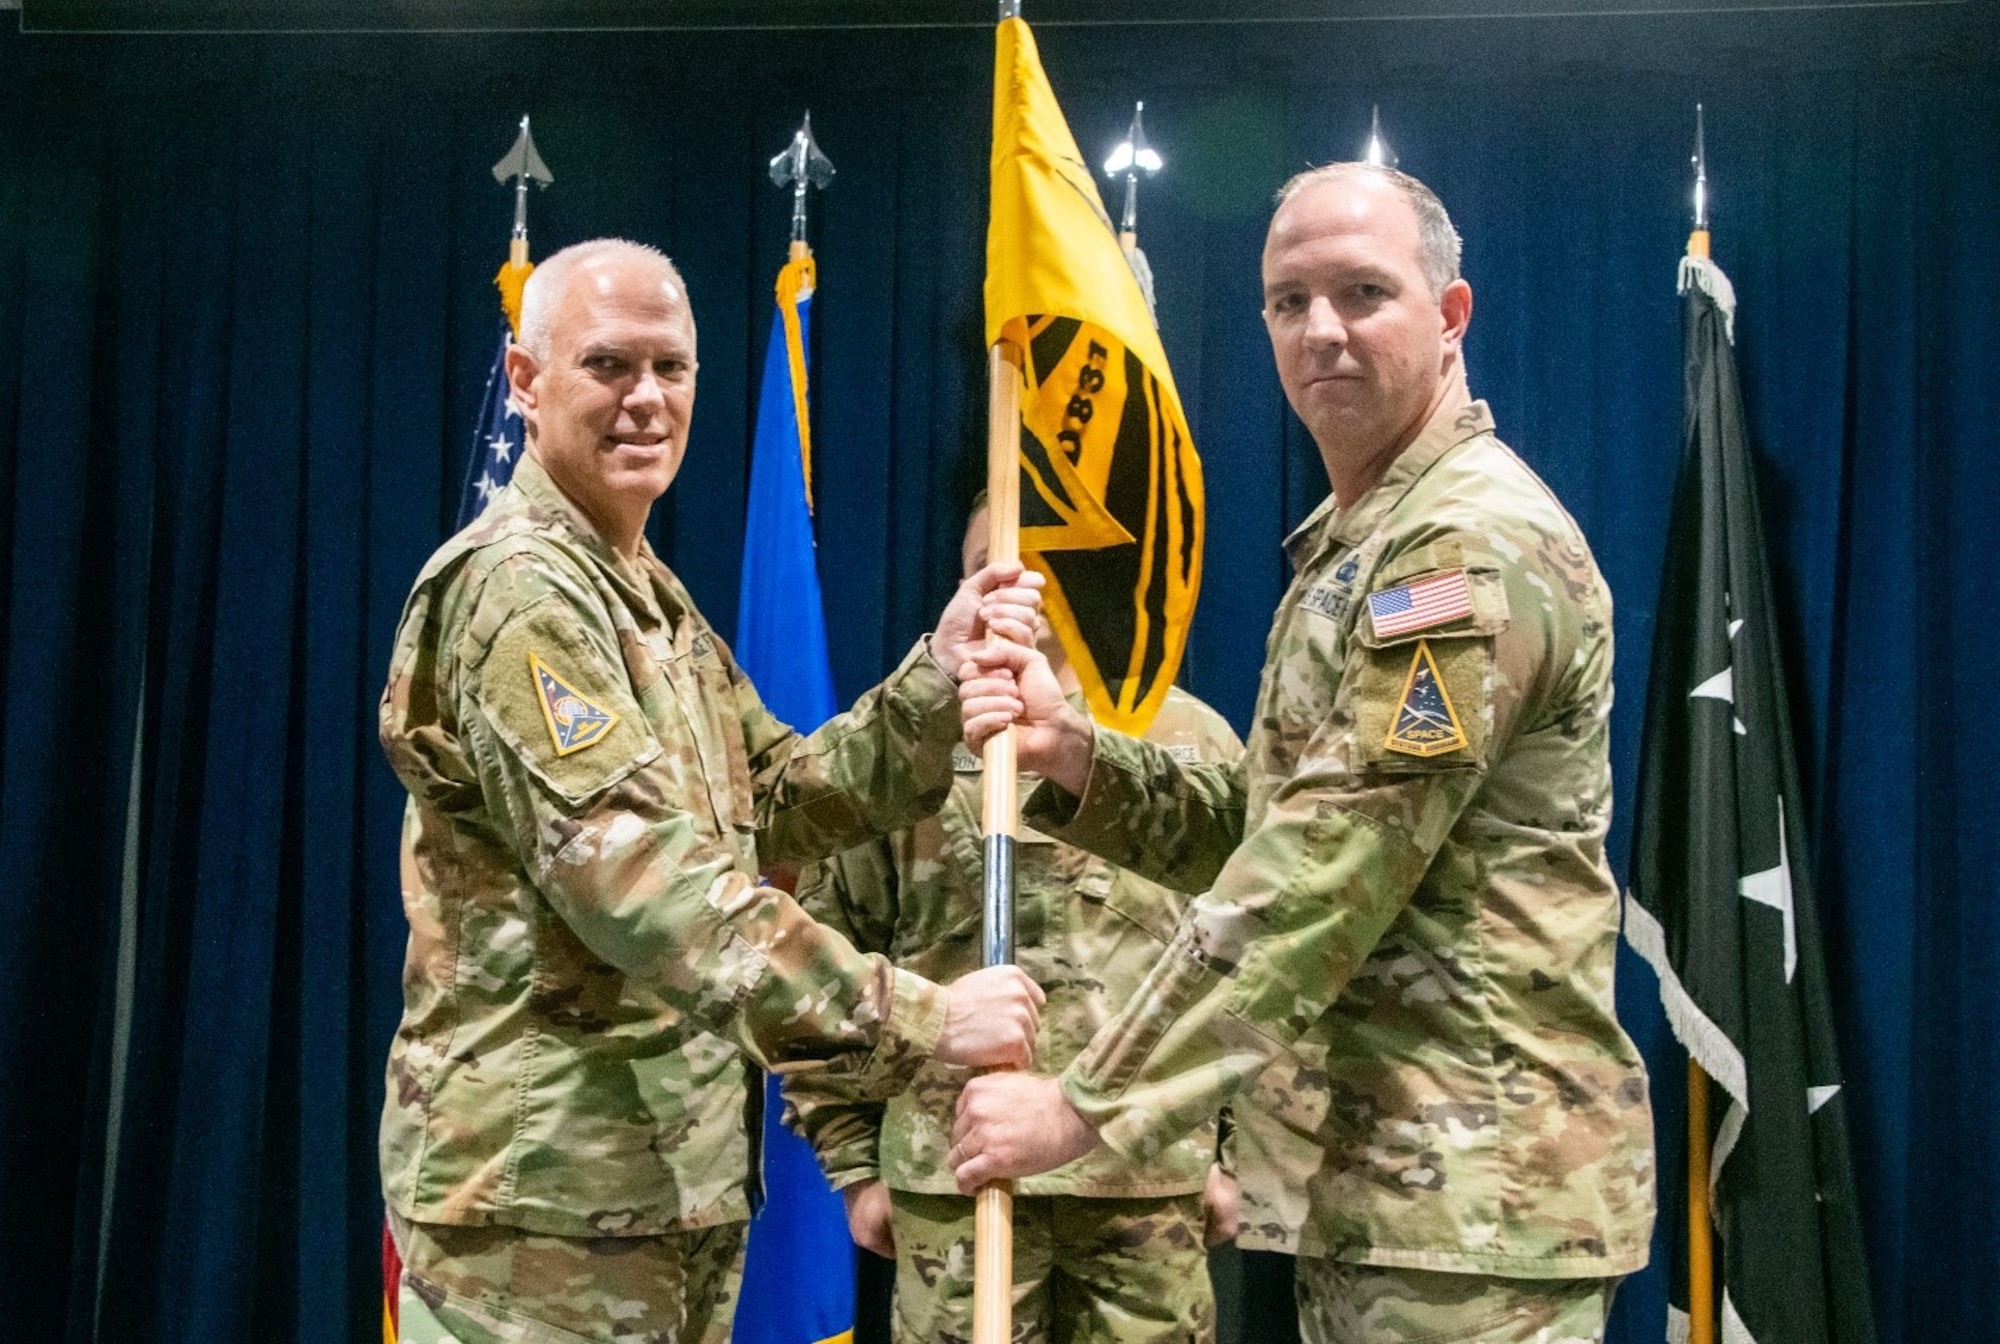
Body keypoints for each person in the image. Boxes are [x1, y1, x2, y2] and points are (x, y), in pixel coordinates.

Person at [950, 165, 1656, 1344]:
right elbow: (1278, 819)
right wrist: (1078, 757)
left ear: (1450, 314)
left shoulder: (1460, 550)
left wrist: (1083, 1103)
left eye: (1362, 292)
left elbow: (1325, 872)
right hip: (1386, 1188)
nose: (1320, 330)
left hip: (1473, 1204)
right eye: (1288, 301)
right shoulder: (1361, 539)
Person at [377, 238, 1047, 1344]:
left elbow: (777, 797)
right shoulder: (519, 589)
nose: (646, 399)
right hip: (538, 1219)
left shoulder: (645, 594)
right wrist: (924, 1017)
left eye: (671, 368)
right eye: (607, 364)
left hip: (649, 1195)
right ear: (524, 379)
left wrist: (937, 674)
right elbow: (647, 888)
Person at [782, 497, 1248, 1344]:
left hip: (1144, 1180)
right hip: (955, 1183)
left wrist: (1232, 1156)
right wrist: (853, 1165)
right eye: (988, 567)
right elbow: (822, 961)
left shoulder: (1191, 741)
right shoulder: (902, 750)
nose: (1015, 587)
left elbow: (1254, 960)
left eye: (1041, 565)